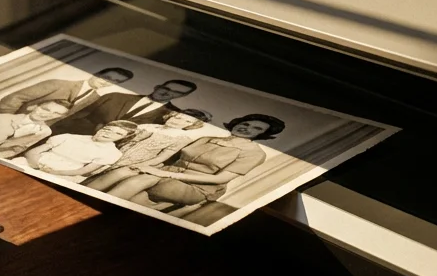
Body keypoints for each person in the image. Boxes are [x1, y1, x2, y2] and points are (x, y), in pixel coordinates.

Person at [100, 113, 287, 217]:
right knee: (123, 171)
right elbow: (169, 159)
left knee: (141, 181)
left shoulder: (254, 153)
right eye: (246, 123)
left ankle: (101, 203)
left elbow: (219, 179)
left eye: (257, 129)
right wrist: (139, 165)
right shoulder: (207, 138)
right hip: (165, 174)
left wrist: (167, 174)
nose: (247, 128)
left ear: (262, 135)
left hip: (198, 187)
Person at [82, 108, 215, 192]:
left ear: (191, 126)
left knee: (100, 180)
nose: (178, 121)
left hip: (136, 162)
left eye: (185, 121)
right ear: (170, 116)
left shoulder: (181, 138)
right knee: (86, 172)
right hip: (113, 154)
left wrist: (139, 165)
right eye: (177, 117)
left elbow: (162, 157)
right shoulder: (148, 126)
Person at [0, 67, 134, 124]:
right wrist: (8, 120)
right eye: (106, 77)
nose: (106, 82)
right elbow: (13, 98)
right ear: (96, 73)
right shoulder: (58, 83)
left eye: (114, 82)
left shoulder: (93, 98)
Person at [51, 78, 199, 136]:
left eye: (177, 92)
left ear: (182, 97)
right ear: (158, 85)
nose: (168, 93)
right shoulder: (116, 96)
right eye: (166, 88)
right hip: (70, 136)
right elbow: (75, 117)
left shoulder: (173, 117)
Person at [13, 120, 139, 181]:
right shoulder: (68, 137)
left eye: (117, 134)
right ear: (102, 127)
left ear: (123, 138)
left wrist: (55, 172)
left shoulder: (112, 153)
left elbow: (83, 170)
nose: (109, 134)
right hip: (37, 162)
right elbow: (31, 152)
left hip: (67, 172)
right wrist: (37, 165)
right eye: (108, 129)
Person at [0, 99, 71, 157]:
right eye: (45, 109)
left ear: (60, 117)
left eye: (55, 114)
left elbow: (18, 148)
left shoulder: (45, 131)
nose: (46, 115)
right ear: (34, 106)